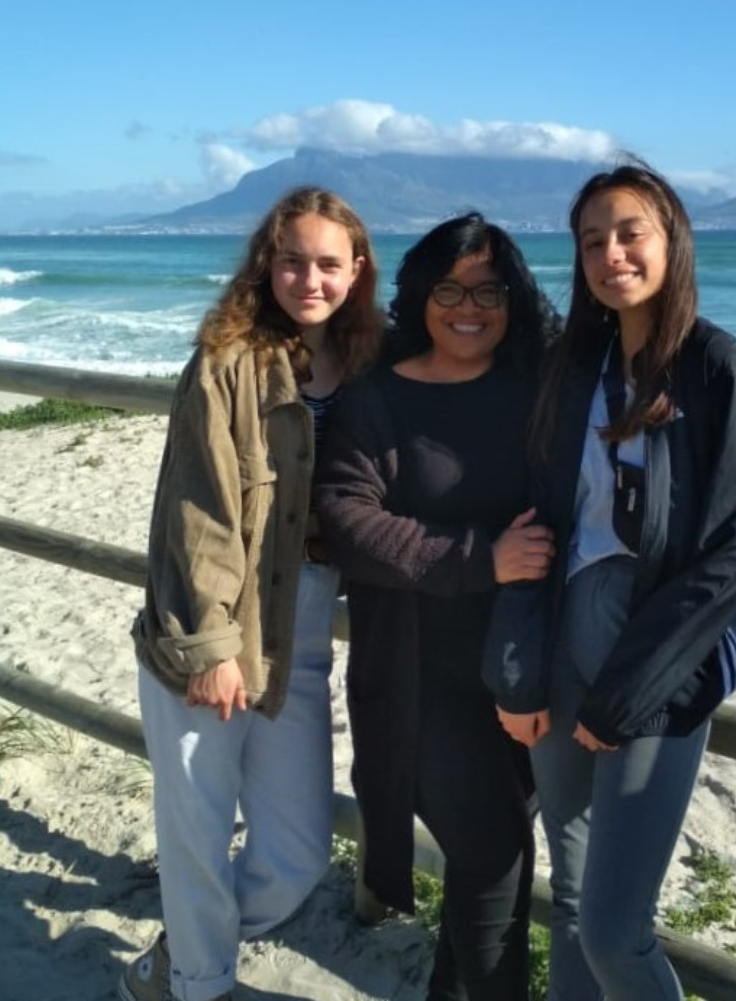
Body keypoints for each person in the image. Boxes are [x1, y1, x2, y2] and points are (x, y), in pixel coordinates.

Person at [485, 163, 736, 1001]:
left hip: (656, 671)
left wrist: (626, 696)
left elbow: (727, 557)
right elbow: (538, 520)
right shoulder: (572, 365)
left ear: (671, 240)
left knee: (615, 930)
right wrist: (521, 670)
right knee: (572, 902)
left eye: (629, 233)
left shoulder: (716, 367)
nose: (611, 254)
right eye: (591, 241)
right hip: (561, 650)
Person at [121, 186, 384, 1001]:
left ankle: (184, 950)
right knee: (197, 830)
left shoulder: (373, 360)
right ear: (268, 264)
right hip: (216, 622)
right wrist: (210, 644)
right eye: (293, 261)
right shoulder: (228, 360)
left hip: (302, 626)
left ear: (358, 269)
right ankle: (194, 984)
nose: (311, 279)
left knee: (298, 853)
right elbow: (198, 510)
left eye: (329, 264)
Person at [314, 213, 560, 1000]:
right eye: (450, 290)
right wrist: (480, 558)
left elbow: (637, 418)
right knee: (493, 854)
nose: (469, 308)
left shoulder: (540, 383)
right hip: (418, 680)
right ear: (420, 295)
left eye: (489, 291)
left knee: (497, 859)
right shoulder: (377, 397)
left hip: (523, 669)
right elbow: (346, 519)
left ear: (514, 298)